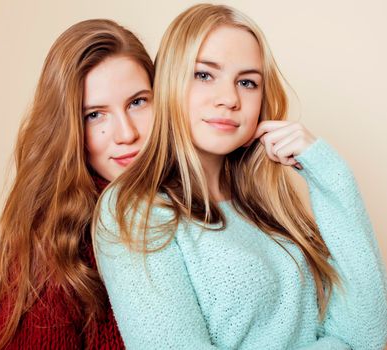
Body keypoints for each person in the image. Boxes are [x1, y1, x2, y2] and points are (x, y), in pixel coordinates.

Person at [94, 4, 387, 350]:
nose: (229, 99)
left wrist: (330, 173)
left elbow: (367, 333)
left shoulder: (272, 206)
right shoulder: (133, 209)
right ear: (170, 83)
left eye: (247, 82)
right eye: (204, 75)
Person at [0, 19, 154, 349]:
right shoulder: (51, 252)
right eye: (95, 114)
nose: (127, 133)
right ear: (67, 128)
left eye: (138, 102)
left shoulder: (186, 202)